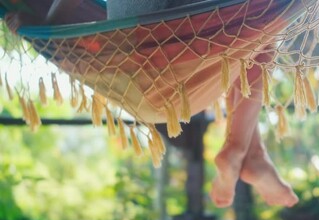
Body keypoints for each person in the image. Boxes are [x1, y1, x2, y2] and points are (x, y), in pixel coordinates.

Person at [4, 0, 299, 208]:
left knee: (257, 26)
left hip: (138, 57)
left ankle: (248, 152)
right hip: (176, 45)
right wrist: (47, 26)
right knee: (261, 24)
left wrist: (47, 27)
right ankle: (240, 147)